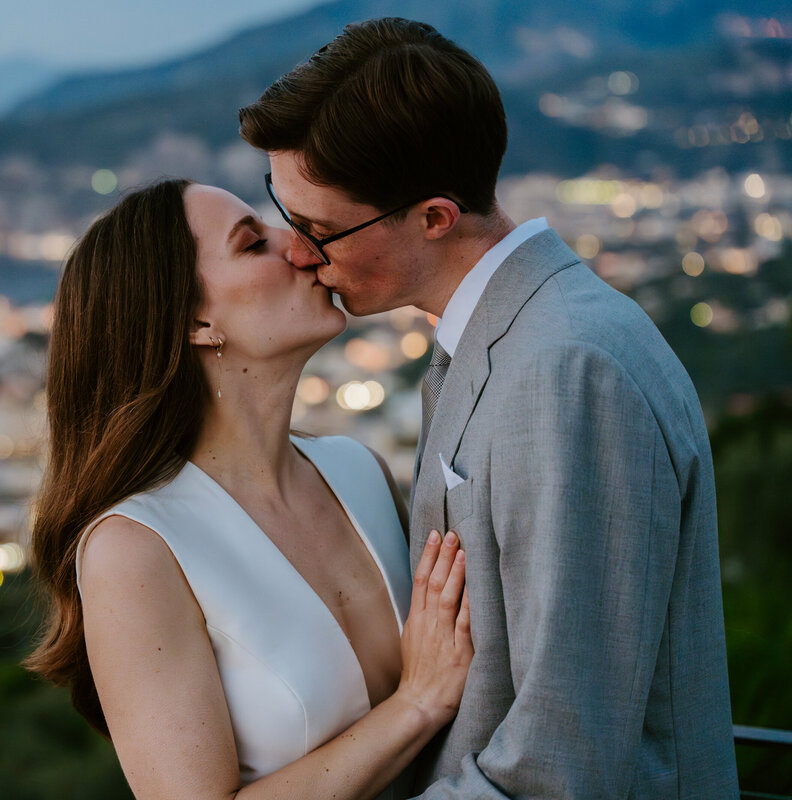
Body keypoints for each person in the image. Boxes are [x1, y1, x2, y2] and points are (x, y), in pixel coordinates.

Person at [239, 17, 738, 799]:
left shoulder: (567, 371)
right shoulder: (506, 339)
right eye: (285, 215)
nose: (299, 252)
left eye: (321, 229)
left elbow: (562, 760)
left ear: (435, 217)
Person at [27, 177, 473, 799]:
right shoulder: (136, 549)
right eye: (251, 243)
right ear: (195, 321)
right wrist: (419, 702)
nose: (300, 246)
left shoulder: (359, 471)